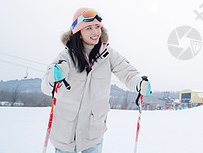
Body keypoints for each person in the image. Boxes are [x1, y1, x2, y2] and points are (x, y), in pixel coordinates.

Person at [41, 8, 152, 153]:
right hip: (65, 135)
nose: (95, 32)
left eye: (97, 27)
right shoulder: (66, 56)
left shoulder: (108, 54)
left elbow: (127, 72)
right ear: (78, 33)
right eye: (89, 28)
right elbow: (46, 87)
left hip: (93, 133)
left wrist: (138, 82)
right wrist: (53, 77)